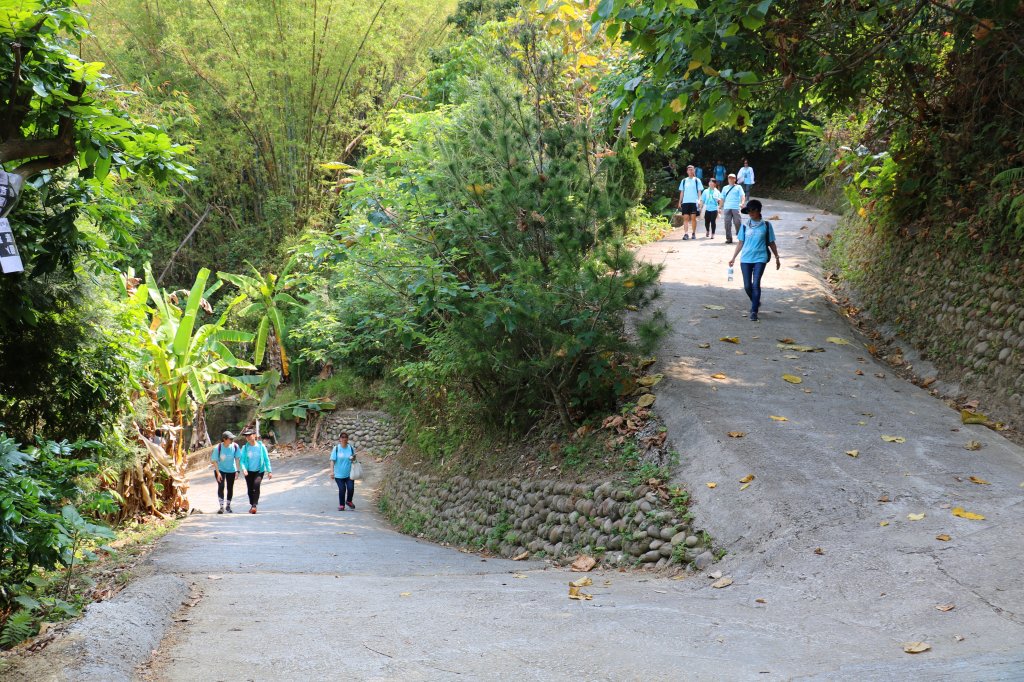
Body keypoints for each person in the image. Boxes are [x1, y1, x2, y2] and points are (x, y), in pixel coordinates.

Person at [728, 199, 780, 322]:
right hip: (746, 258)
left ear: (758, 211)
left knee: (756, 283)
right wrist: (733, 257)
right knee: (747, 286)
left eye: (753, 210)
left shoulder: (766, 225)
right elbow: (741, 242)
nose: (750, 213)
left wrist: (777, 257)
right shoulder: (745, 226)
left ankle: (754, 311)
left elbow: (771, 242)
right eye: (749, 211)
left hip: (760, 258)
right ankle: (755, 301)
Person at [239, 428, 272, 514]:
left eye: (249, 435)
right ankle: (252, 505)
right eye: (246, 436)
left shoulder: (261, 447)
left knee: (256, 485)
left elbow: (266, 459)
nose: (248, 437)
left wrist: (269, 471)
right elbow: (242, 460)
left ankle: (254, 505)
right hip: (248, 471)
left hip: (259, 470)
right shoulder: (245, 448)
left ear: (254, 435)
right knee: (250, 489)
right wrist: (244, 469)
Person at [210, 431, 241, 514]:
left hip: (232, 470)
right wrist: (218, 473)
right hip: (220, 469)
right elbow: (214, 461)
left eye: (232, 438)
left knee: (230, 487)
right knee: (221, 486)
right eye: (230, 438)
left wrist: (237, 470)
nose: (232, 440)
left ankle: (228, 505)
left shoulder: (235, 446)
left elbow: (237, 459)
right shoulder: (218, 448)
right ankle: (221, 506)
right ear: (224, 439)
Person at [329, 432, 358, 511]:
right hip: (339, 475)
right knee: (342, 489)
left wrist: (353, 458)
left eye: (345, 437)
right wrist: (332, 472)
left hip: (349, 473)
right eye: (342, 437)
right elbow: (332, 461)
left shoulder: (351, 448)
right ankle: (341, 505)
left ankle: (349, 501)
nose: (344, 438)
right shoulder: (336, 448)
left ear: (347, 439)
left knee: (351, 488)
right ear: (340, 439)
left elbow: (354, 459)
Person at [677, 165, 703, 241]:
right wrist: (680, 202)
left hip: (694, 202)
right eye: (689, 170)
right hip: (685, 202)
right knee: (685, 218)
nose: (690, 171)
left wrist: (699, 200)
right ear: (687, 171)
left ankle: (694, 233)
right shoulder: (684, 180)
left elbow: (699, 191)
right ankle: (686, 234)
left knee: (693, 218)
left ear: (694, 171)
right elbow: (682, 192)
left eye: (692, 170)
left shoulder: (697, 180)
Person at [720, 173, 746, 244]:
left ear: (735, 179)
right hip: (727, 208)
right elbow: (722, 198)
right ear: (728, 179)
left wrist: (742, 203)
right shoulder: (725, 188)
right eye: (729, 178)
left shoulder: (738, 187)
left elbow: (742, 195)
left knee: (738, 222)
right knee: (727, 223)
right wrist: (719, 207)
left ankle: (740, 236)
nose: (731, 179)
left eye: (732, 178)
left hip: (736, 207)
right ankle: (729, 238)